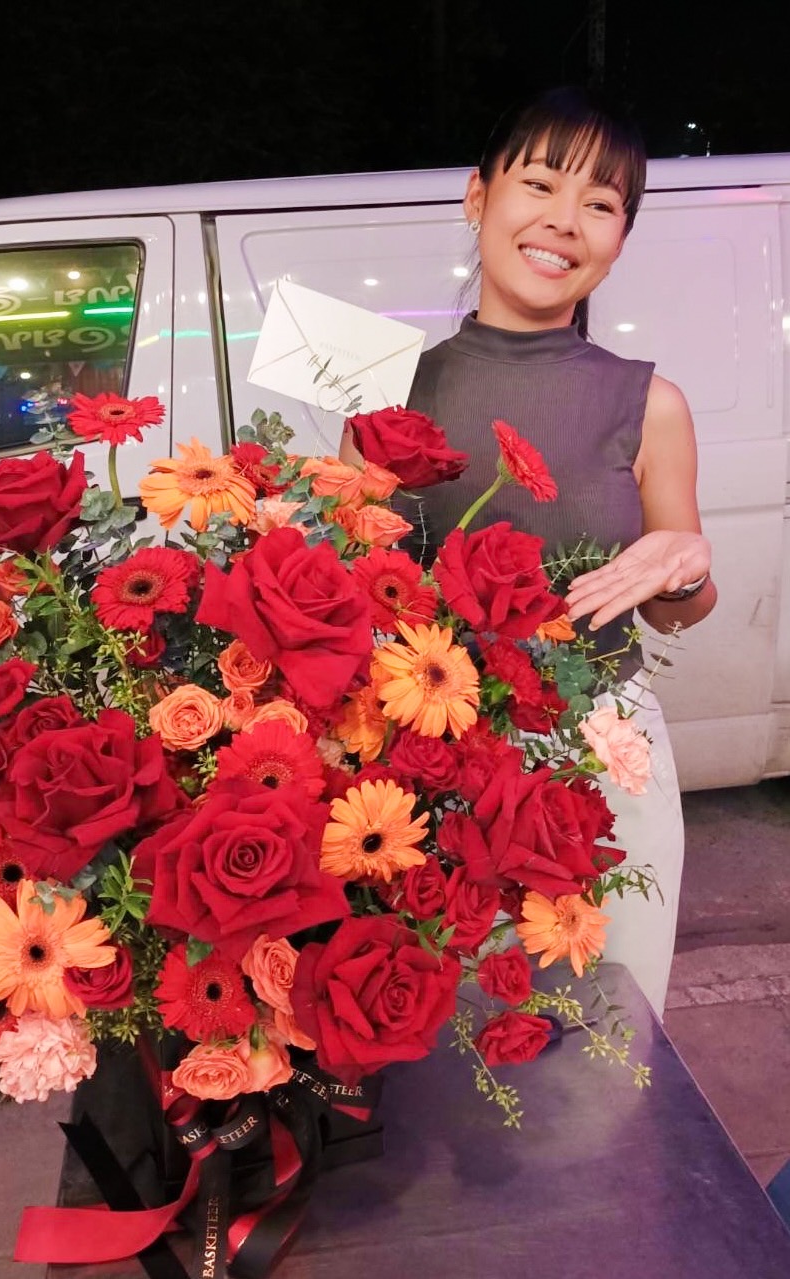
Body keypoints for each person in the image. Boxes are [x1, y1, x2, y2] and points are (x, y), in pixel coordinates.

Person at [340, 84, 717, 1018]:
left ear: (621, 237)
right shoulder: (382, 386)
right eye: (541, 183)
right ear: (478, 197)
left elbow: (676, 606)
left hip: (607, 753)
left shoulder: (651, 402)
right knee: (454, 1031)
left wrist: (687, 564)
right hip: (432, 755)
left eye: (600, 203)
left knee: (613, 1027)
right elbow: (344, 589)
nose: (564, 221)